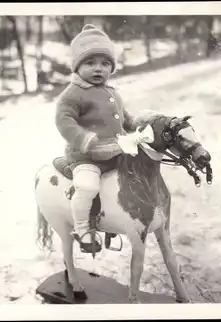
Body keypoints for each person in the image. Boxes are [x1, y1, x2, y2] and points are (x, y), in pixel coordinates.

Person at [55, 24, 153, 253]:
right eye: (90, 63)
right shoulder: (73, 93)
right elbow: (64, 120)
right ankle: (82, 230)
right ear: (77, 66)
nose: (98, 69)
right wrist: (83, 138)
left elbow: (124, 118)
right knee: (87, 186)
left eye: (105, 63)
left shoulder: (112, 92)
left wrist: (137, 126)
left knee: (138, 176)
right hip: (86, 155)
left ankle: (118, 220)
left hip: (116, 151)